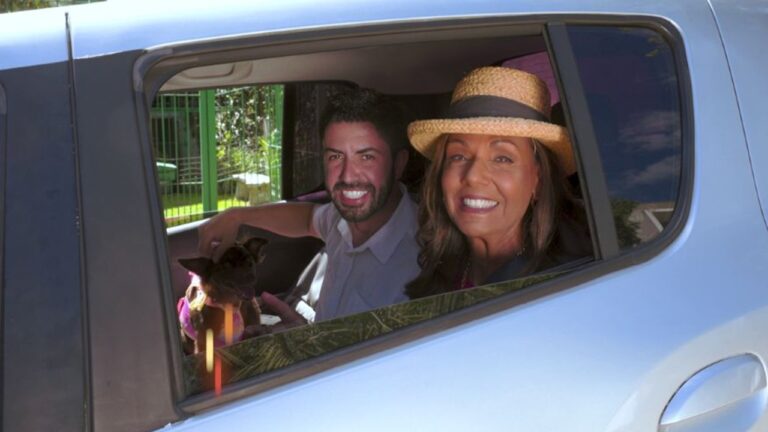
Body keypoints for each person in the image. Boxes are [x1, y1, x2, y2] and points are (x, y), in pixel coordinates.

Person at [197, 88, 420, 323]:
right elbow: (306, 219)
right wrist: (236, 216)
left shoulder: (421, 259)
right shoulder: (340, 219)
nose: (347, 176)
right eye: (335, 157)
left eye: (366, 157)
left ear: (398, 164)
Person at [405, 67, 591, 298]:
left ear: (539, 180)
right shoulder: (443, 269)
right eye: (458, 156)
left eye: (502, 158)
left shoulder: (565, 289)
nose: (473, 175)